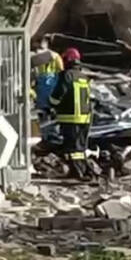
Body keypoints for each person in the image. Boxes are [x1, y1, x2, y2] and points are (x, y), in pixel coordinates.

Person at [49, 47, 92, 181]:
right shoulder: (84, 76)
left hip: (71, 117)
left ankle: (77, 172)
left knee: (72, 148)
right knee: (80, 147)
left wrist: (51, 104)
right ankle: (83, 170)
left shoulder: (66, 75)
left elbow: (57, 96)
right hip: (85, 118)